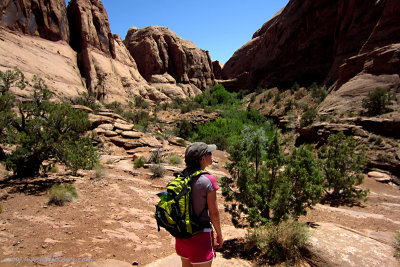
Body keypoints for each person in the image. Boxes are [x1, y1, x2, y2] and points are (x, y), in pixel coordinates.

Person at [175, 142, 223, 267]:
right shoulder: (207, 180)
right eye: (209, 153)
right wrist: (219, 234)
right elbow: (214, 213)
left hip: (182, 235)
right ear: (202, 159)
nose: (212, 156)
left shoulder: (181, 177)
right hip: (200, 236)